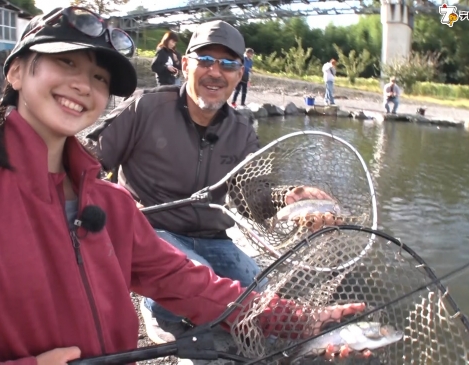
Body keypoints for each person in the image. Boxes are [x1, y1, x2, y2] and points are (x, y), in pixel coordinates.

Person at [0, 8, 368, 365]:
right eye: (66, 62)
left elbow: (192, 285)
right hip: (167, 228)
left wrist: (296, 320)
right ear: (16, 72)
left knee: (237, 278)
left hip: (201, 241)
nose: (85, 84)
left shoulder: (112, 206)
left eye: (100, 78)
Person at [85, 19, 344, 349]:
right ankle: (159, 313)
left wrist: (288, 199)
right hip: (155, 235)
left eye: (228, 64)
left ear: (239, 73)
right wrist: (113, 203)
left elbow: (253, 197)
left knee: (259, 292)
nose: (215, 72)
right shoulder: (145, 108)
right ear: (184, 65)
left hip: (213, 236)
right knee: (198, 274)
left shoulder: (242, 131)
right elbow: (90, 160)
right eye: (205, 60)